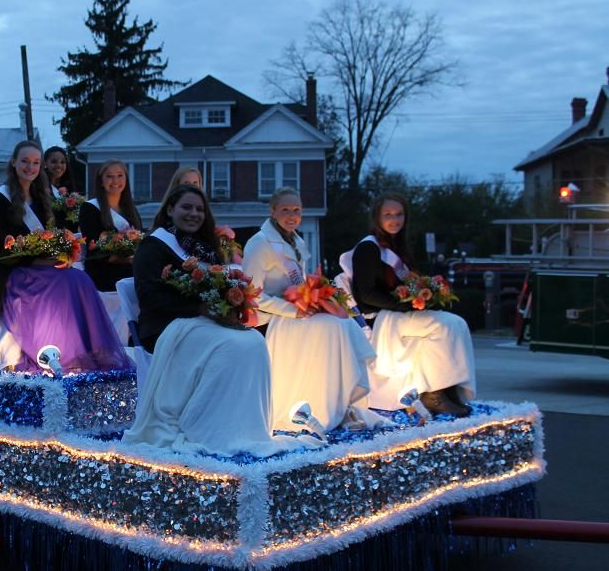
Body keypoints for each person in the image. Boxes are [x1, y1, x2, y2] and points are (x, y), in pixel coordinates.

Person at [124, 185, 314, 457]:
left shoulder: (206, 248)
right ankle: (208, 428)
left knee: (252, 339)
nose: (193, 214)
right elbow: (150, 297)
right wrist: (200, 307)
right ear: (170, 210)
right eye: (186, 207)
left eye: (199, 209)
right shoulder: (153, 246)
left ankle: (246, 429)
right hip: (168, 326)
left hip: (202, 323)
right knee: (231, 346)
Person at [0, 140, 132, 374]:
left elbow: (50, 237)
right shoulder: (0, 199)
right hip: (9, 272)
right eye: (25, 161)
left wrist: (63, 252)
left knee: (80, 280)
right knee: (64, 283)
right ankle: (64, 356)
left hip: (39, 267)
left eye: (36, 162)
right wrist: (35, 260)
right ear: (14, 162)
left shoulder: (40, 198)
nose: (30, 167)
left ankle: (86, 353)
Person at [242, 187, 376, 432]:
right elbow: (252, 295)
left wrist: (316, 300)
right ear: (272, 211)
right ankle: (330, 405)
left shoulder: (296, 240)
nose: (292, 215)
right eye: (285, 210)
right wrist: (294, 311)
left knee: (343, 324)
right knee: (333, 328)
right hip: (272, 319)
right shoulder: (260, 243)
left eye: (297, 210)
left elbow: (300, 284)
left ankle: (343, 401)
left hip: (297, 315)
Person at [346, 192, 476, 416]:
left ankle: (449, 388)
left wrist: (427, 296)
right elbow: (366, 295)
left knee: (457, 323)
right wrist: (406, 305)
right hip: (381, 318)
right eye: (388, 214)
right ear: (377, 217)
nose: (394, 219)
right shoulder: (368, 248)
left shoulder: (397, 246)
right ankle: (432, 394)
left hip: (398, 314)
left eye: (398, 214)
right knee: (442, 326)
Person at [79, 160, 142, 292]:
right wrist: (127, 259)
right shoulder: (89, 208)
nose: (115, 180)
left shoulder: (131, 210)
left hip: (131, 269)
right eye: (109, 176)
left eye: (120, 175)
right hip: (104, 272)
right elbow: (94, 251)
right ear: (101, 181)